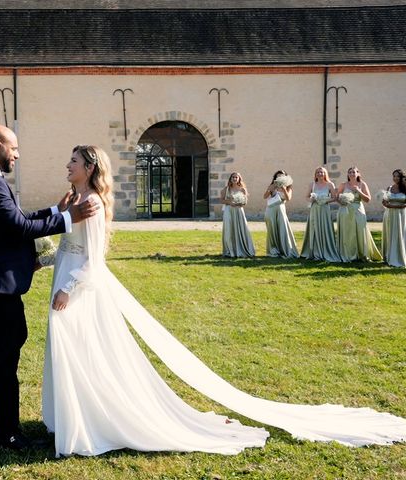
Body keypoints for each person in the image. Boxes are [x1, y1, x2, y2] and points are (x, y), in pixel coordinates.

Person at [42, 146, 406, 458]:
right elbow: (66, 238)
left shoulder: (90, 202)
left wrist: (68, 288)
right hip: (66, 275)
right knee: (73, 349)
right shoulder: (74, 199)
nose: (68, 165)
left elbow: (93, 257)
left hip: (78, 285)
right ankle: (72, 416)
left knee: (83, 348)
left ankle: (89, 420)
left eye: (74, 160)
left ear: (89, 168)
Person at [0, 125, 98, 450]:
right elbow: (18, 228)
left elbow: (14, 218)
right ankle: (8, 431)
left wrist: (55, 211)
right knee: (7, 351)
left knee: (10, 342)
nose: (16, 155)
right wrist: (68, 217)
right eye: (13, 148)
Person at [336, 166, 382, 262]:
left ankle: (361, 253)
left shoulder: (362, 184)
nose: (352, 174)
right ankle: (347, 253)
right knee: (347, 232)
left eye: (354, 172)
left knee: (360, 230)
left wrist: (359, 191)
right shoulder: (343, 185)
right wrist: (342, 202)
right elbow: (337, 197)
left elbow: (368, 199)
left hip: (358, 210)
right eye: (350, 172)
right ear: (348, 174)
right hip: (345, 211)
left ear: (358, 174)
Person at [300, 167, 340, 262]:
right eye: (318, 172)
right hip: (314, 209)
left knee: (325, 228)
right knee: (314, 228)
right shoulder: (312, 184)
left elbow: (335, 198)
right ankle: (314, 251)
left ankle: (326, 250)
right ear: (315, 174)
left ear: (325, 173)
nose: (320, 174)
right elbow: (307, 196)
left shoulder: (330, 184)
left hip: (325, 209)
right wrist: (312, 199)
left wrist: (325, 200)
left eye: (321, 172)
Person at [263, 170, 299, 258]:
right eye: (278, 176)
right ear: (275, 178)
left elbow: (288, 198)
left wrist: (283, 189)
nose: (280, 178)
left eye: (282, 176)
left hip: (281, 209)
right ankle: (273, 250)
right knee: (272, 230)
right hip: (271, 209)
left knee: (283, 228)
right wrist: (269, 190)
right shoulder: (272, 185)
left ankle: (285, 249)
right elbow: (265, 197)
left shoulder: (288, 187)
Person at [220, 172, 255, 257]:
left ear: (239, 179)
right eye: (233, 177)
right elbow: (222, 200)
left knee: (241, 229)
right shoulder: (226, 189)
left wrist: (239, 203)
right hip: (229, 211)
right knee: (229, 229)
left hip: (239, 211)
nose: (234, 179)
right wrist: (229, 202)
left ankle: (242, 248)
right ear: (230, 179)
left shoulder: (243, 189)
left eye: (236, 177)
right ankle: (230, 250)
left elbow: (245, 202)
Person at [381, 169, 406, 268]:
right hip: (389, 215)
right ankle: (389, 257)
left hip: (401, 214)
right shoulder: (389, 188)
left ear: (401, 178)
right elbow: (385, 201)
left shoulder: (405, 188)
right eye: (394, 176)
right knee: (390, 234)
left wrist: (395, 207)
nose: (395, 178)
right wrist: (384, 202)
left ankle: (400, 257)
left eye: (397, 176)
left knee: (400, 234)